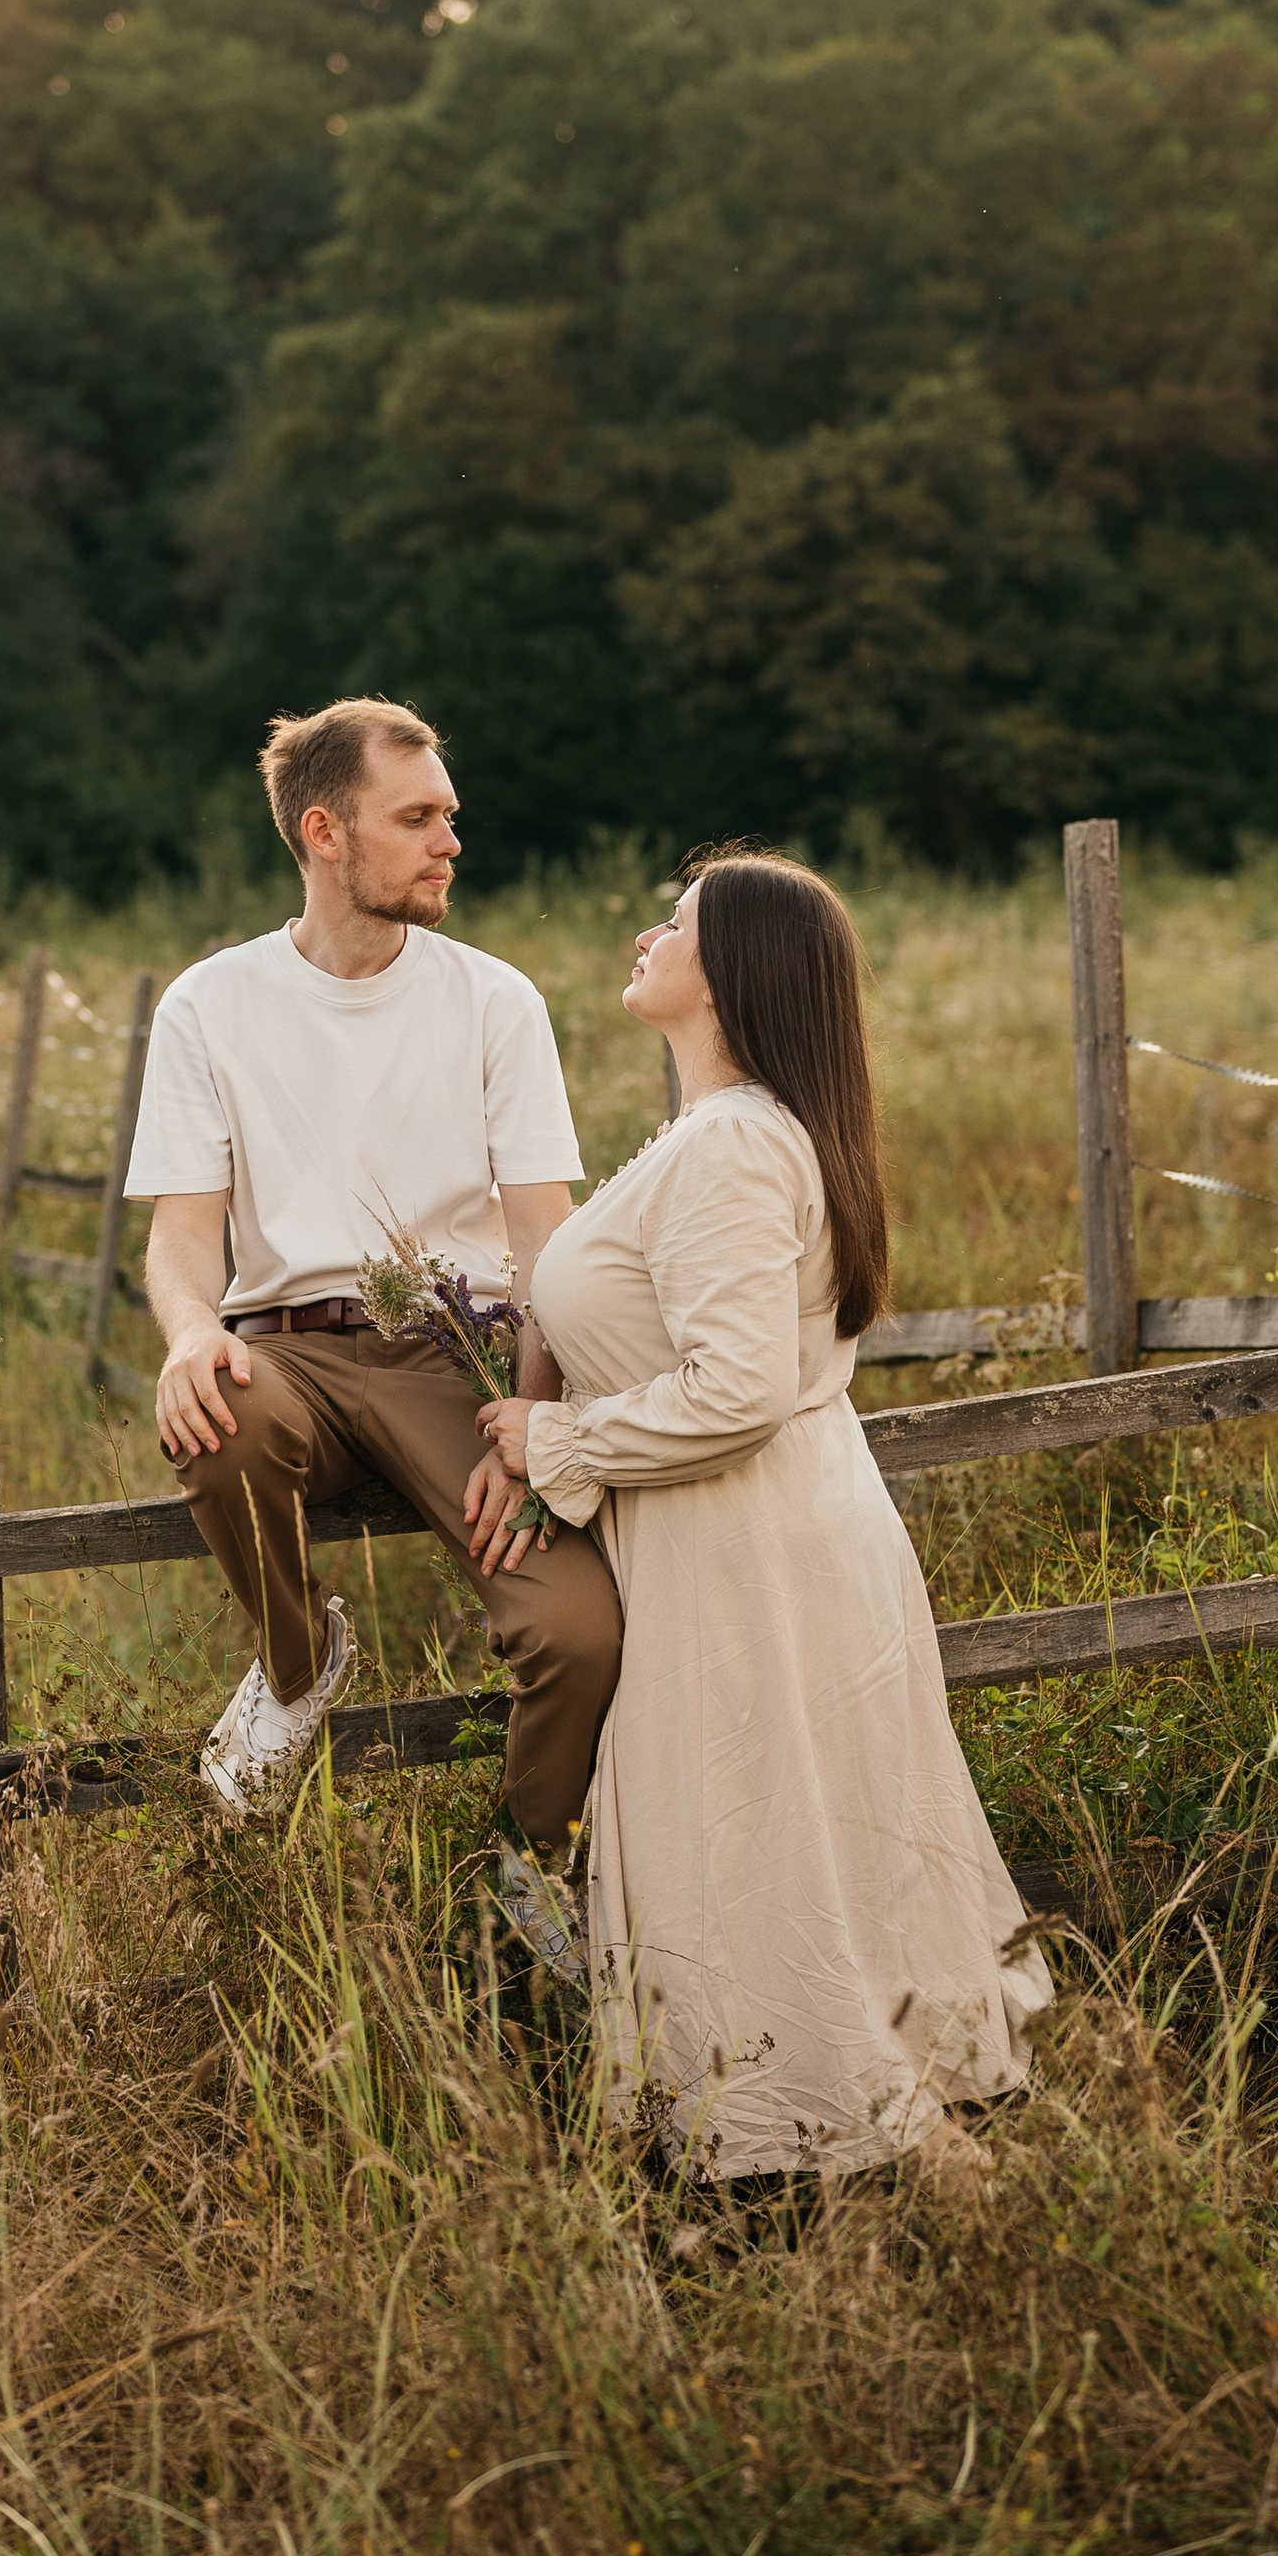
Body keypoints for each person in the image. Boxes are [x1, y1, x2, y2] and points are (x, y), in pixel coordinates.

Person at [471, 852, 1050, 2181]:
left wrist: (551, 1437)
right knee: (787, 1829)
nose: (642, 931)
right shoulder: (725, 1131)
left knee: (758, 1834)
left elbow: (734, 1390)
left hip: (741, 1539)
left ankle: (816, 2147)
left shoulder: (734, 1143)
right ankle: (836, 2141)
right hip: (759, 1528)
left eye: (673, 922)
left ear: (733, 970)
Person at [128, 698, 620, 1928]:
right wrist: (194, 1332)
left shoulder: (495, 999)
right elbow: (182, 1239)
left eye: (449, 814)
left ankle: (529, 1889)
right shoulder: (208, 1003)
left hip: (457, 1358)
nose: (451, 838)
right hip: (286, 1353)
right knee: (213, 1404)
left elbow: (543, 1242)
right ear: (325, 830)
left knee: (577, 1632)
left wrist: (536, 1417)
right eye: (418, 817)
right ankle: (296, 1669)